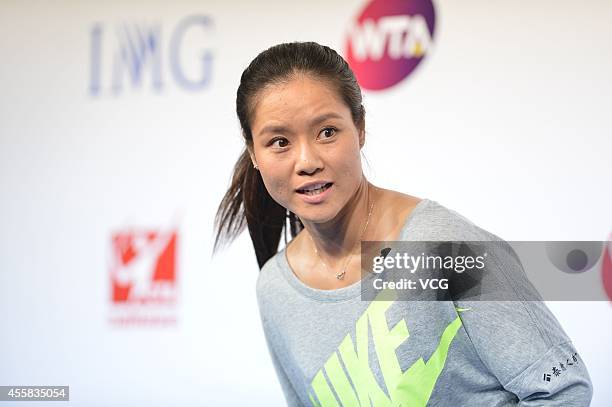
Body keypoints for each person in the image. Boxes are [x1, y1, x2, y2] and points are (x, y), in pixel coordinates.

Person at [213, 42, 593, 406]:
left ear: (359, 128)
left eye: (327, 132)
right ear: (254, 153)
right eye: (279, 141)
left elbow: (562, 390)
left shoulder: (442, 248)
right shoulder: (276, 288)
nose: (307, 160)